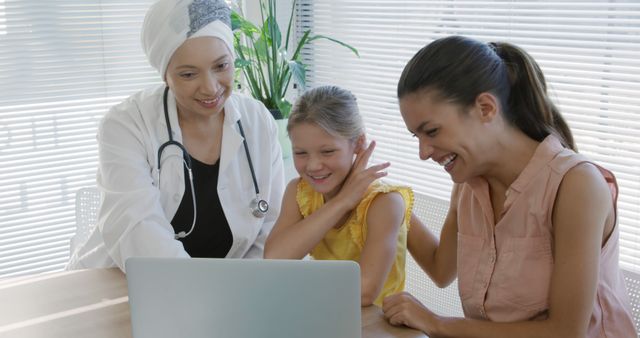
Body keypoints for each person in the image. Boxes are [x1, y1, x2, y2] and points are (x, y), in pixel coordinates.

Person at [382, 35, 636, 337]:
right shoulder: (469, 183)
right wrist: (387, 196)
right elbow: (441, 269)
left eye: (432, 131)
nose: (423, 153)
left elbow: (566, 332)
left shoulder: (577, 186)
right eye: (417, 137)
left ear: (486, 108)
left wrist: (438, 323)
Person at [67, 0, 284, 271]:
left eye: (221, 66)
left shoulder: (258, 121)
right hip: (119, 285)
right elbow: (139, 231)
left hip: (224, 294)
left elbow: (271, 229)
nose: (210, 87)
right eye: (189, 74)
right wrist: (201, 294)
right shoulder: (126, 125)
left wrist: (239, 291)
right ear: (165, 75)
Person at [263, 85, 413, 307]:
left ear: (359, 144)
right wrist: (343, 202)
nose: (313, 166)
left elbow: (363, 291)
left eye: (328, 151)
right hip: (328, 314)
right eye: (300, 153)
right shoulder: (299, 191)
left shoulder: (384, 202)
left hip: (379, 326)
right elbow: (274, 260)